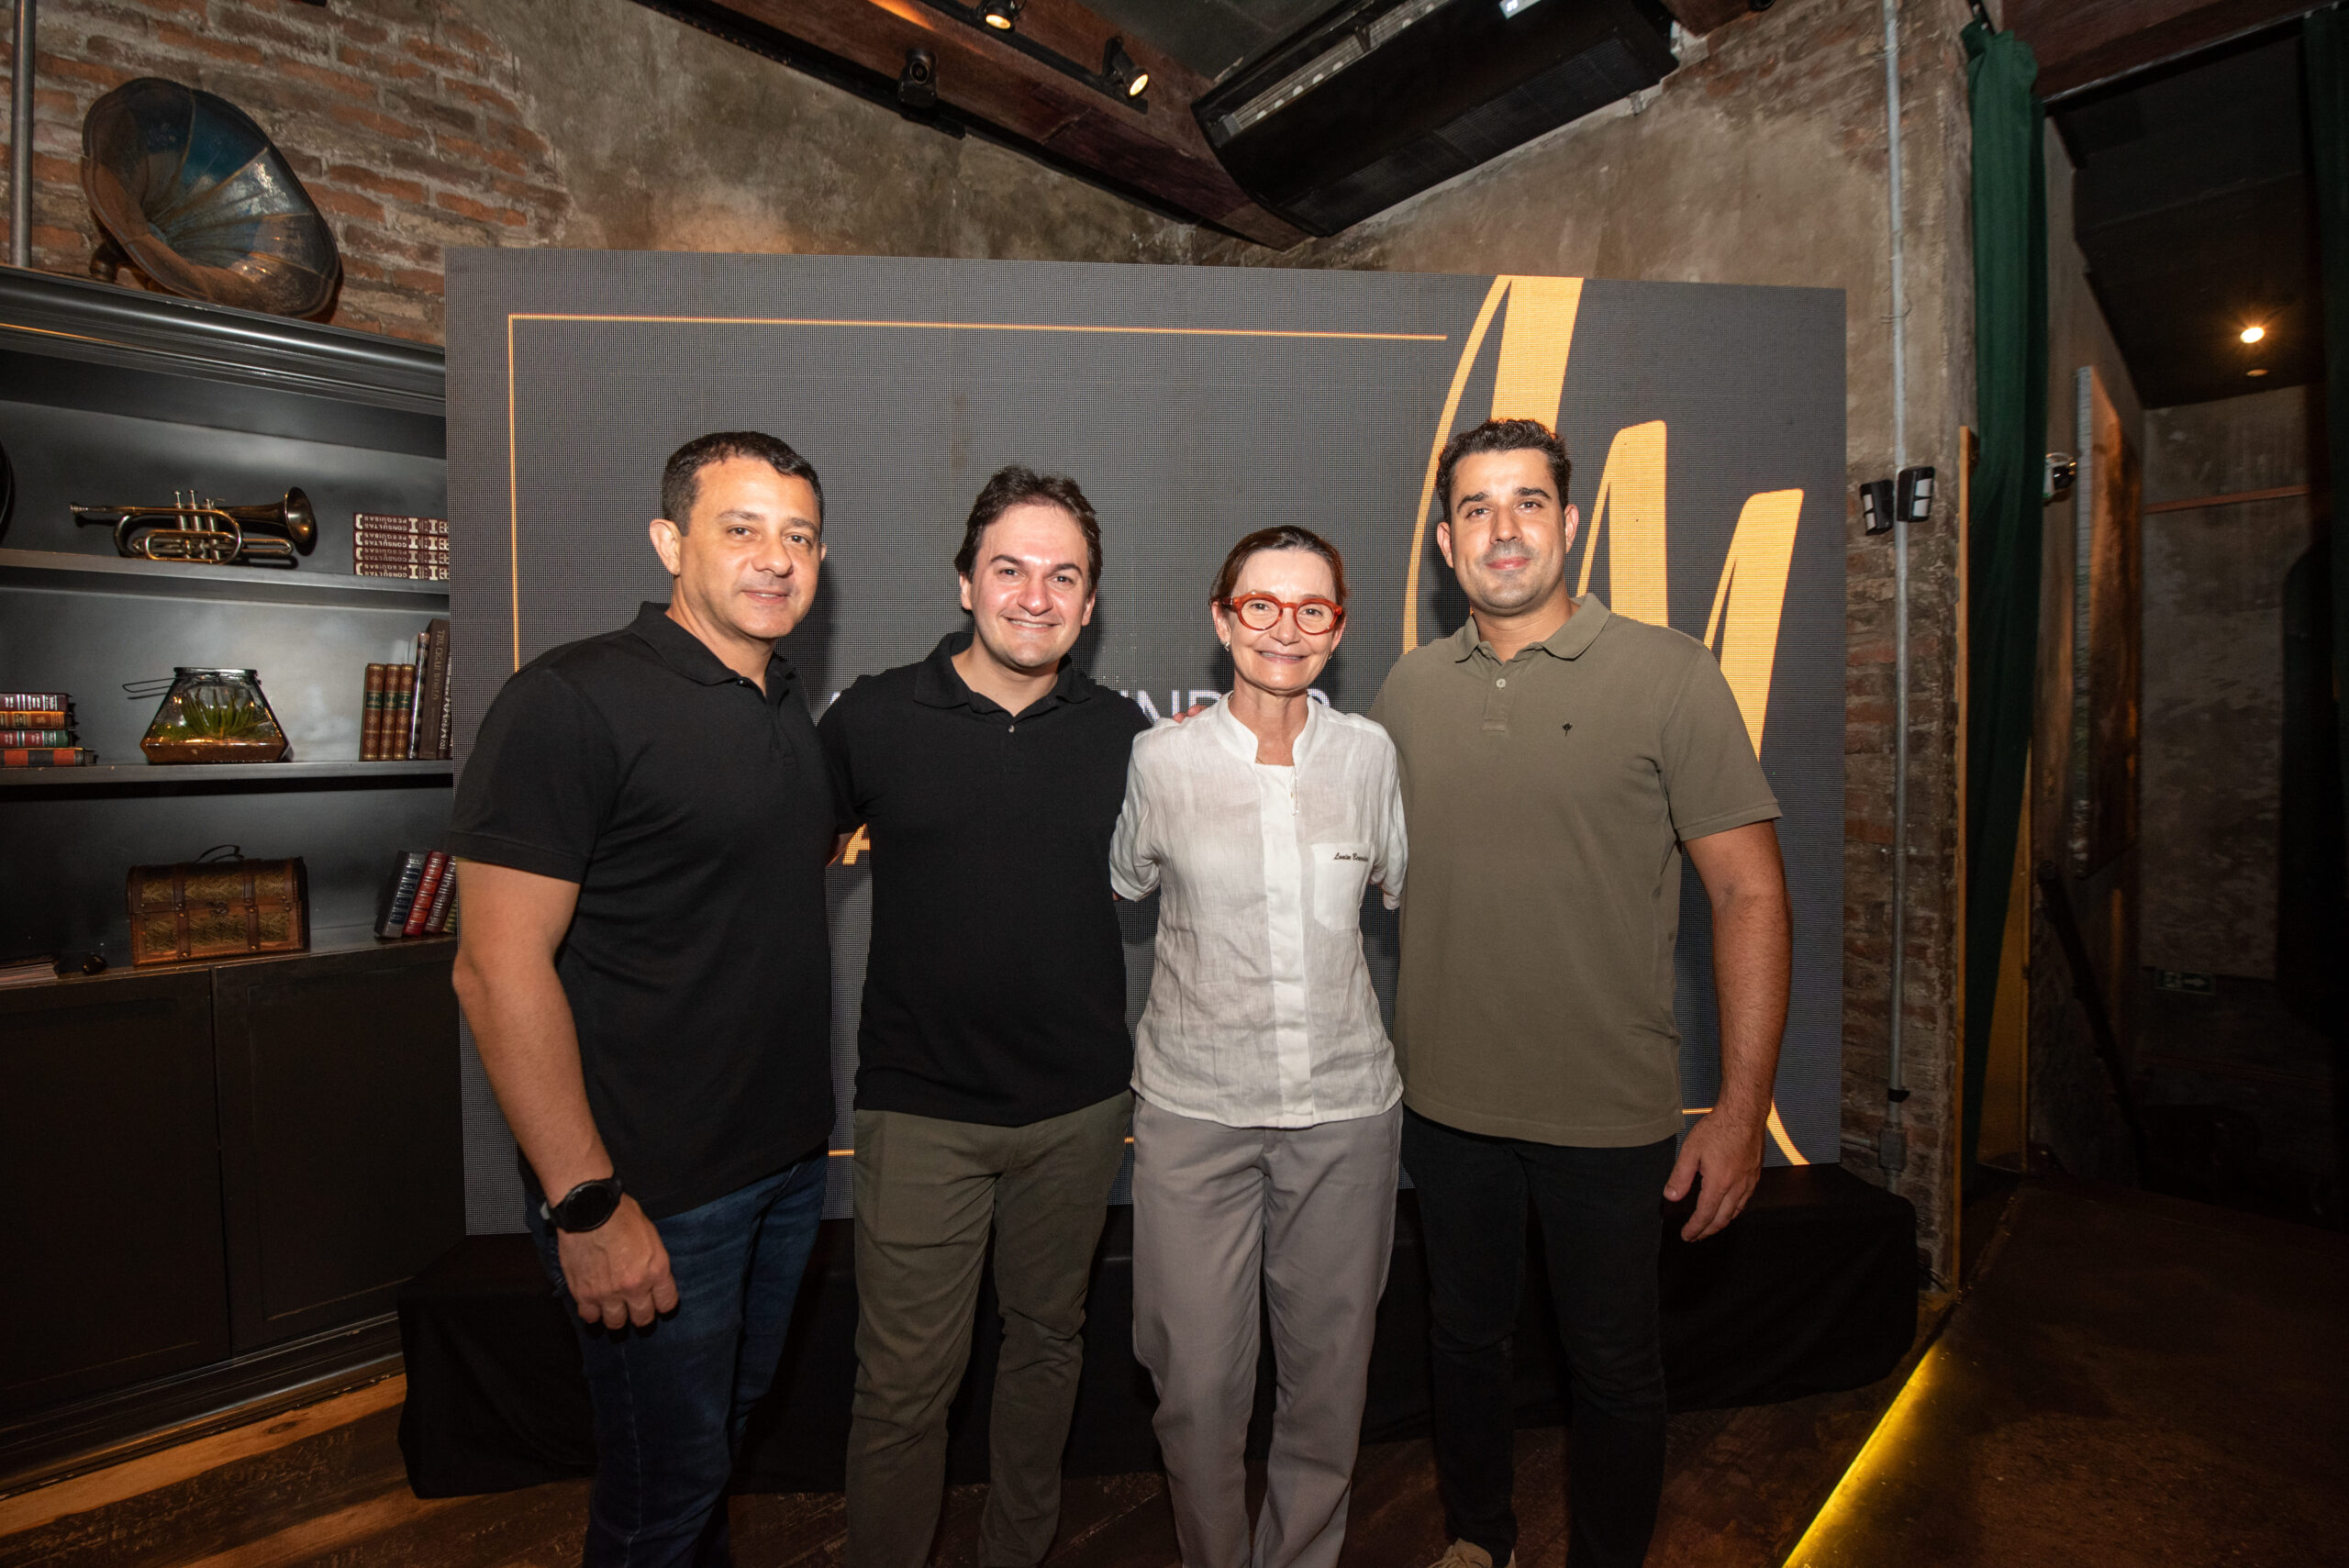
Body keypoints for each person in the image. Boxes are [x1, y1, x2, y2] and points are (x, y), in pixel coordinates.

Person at [1370, 417, 1792, 1568]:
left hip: (1610, 1114)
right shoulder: (1406, 690)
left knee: (1613, 1365)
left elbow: (1747, 895)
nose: (1500, 528)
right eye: (1473, 508)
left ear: (1567, 522)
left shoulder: (1670, 674)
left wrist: (1740, 1107)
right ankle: (1478, 1538)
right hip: (1447, 1104)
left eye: (1524, 502)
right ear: (1446, 547)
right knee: (1462, 1341)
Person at [449, 431, 839, 1567]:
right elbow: (493, 968)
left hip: (780, 1171)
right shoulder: (571, 700)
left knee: (707, 1460)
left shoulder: (780, 705)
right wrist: (584, 1204)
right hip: (652, 1200)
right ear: (671, 540)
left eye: (799, 535)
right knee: (658, 1502)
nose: (775, 558)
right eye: (742, 527)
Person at [818, 464, 1150, 1568]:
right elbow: (763, 868)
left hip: (1078, 1109)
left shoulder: (1128, 739)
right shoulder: (870, 716)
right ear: (965, 582)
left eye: (1064, 576)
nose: (1035, 595)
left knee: (1048, 1348)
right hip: (922, 1112)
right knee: (904, 1385)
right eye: (1009, 568)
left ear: (1091, 604)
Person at [1109, 526, 1408, 1568]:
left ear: (1339, 626)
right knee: (1192, 1384)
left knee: (1329, 1382)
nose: (1285, 627)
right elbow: (1128, 883)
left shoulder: (1371, 757)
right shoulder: (1160, 759)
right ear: (1221, 618)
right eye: (1260, 605)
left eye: (1311, 607)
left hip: (1346, 1114)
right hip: (1195, 1111)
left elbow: (1399, 886)